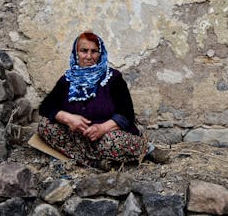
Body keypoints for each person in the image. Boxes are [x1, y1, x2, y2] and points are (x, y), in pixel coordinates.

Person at [38, 31, 168, 169]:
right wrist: (67, 118)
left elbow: (127, 114)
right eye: (83, 51)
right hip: (79, 138)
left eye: (94, 51)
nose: (89, 56)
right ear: (76, 53)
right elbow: (45, 107)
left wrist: (102, 128)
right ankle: (95, 163)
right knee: (45, 126)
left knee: (112, 142)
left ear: (100, 54)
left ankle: (145, 150)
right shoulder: (67, 80)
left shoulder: (113, 78)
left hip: (107, 136)